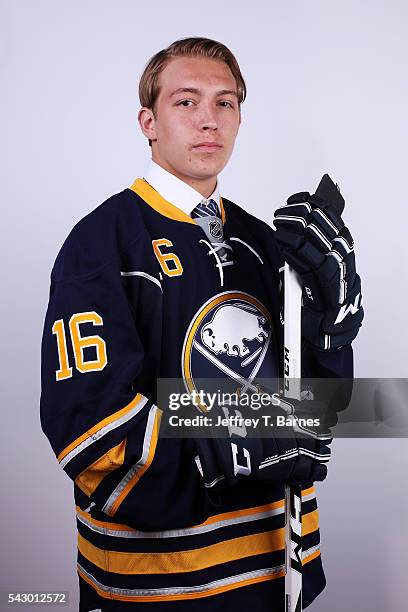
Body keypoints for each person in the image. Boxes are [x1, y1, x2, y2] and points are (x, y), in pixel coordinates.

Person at [40, 37, 364, 612]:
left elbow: (315, 412)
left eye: (225, 103)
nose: (208, 121)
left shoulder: (266, 244)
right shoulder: (101, 242)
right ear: (149, 121)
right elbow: (89, 429)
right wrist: (230, 448)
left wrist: (332, 333)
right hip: (165, 579)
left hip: (275, 565)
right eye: (185, 102)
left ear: (240, 118)